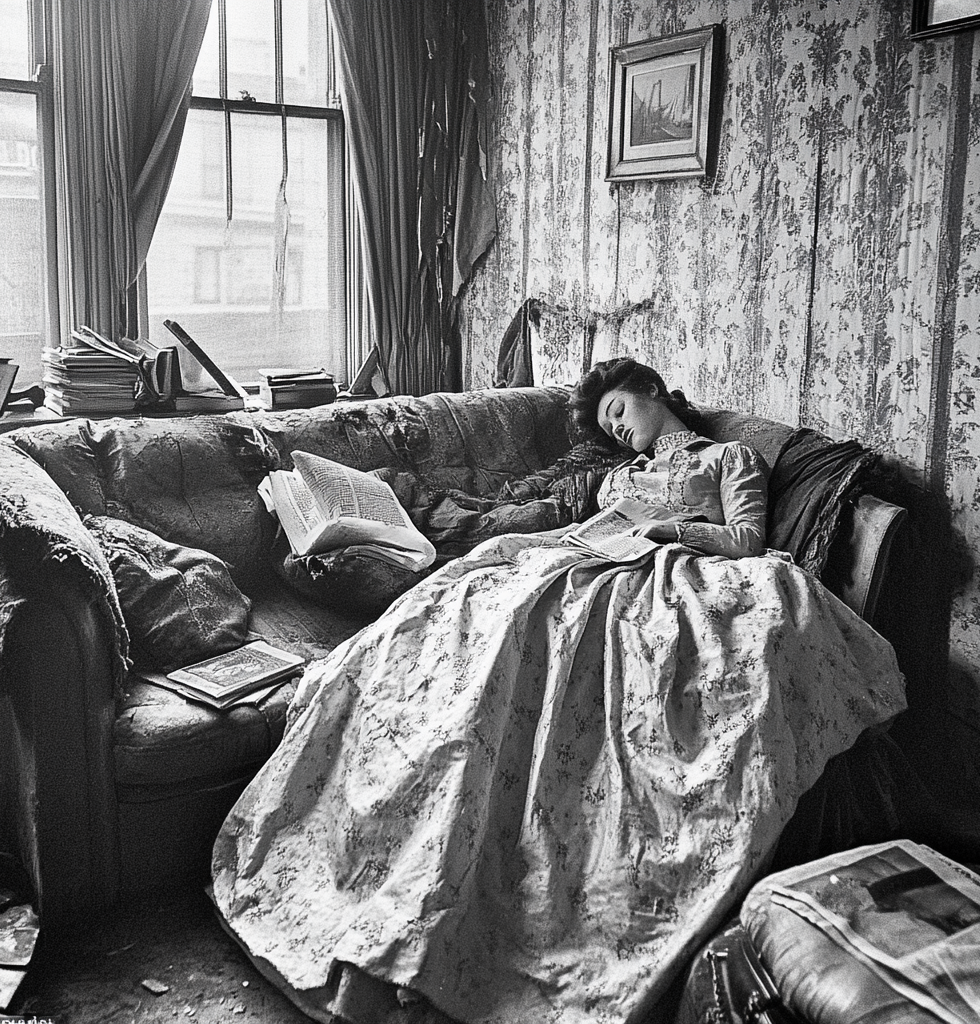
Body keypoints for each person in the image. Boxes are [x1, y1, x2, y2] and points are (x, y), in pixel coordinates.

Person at [211, 358, 907, 1024]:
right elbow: (582, 529)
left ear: (654, 392)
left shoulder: (727, 460)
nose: (617, 429)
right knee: (486, 607)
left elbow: (748, 538)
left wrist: (666, 528)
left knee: (580, 638)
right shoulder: (619, 477)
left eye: (618, 410)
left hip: (680, 573)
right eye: (606, 426)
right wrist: (529, 544)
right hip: (596, 558)